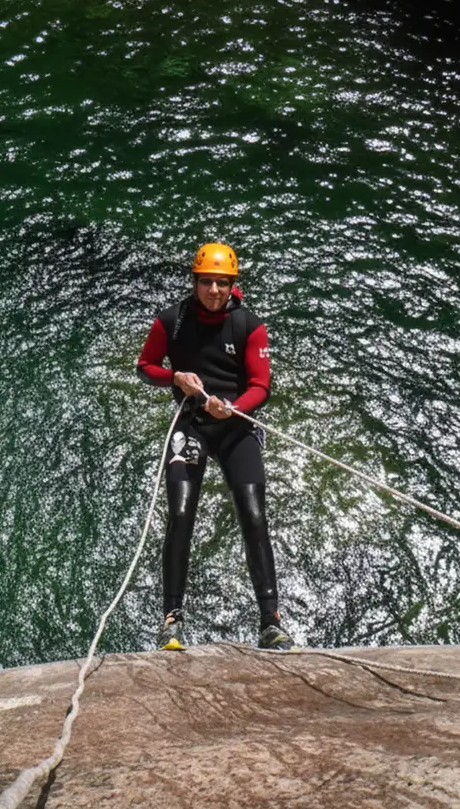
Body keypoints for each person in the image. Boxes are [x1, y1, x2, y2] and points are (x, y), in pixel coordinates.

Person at [136, 242, 294, 651]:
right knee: (181, 514)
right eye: (206, 282)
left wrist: (234, 408)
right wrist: (174, 378)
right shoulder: (171, 321)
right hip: (191, 424)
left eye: (222, 284)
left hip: (235, 426)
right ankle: (172, 621)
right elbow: (145, 367)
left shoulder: (249, 326)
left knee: (254, 515)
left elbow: (261, 386)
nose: (213, 291)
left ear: (232, 286)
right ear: (194, 282)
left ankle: (271, 621)